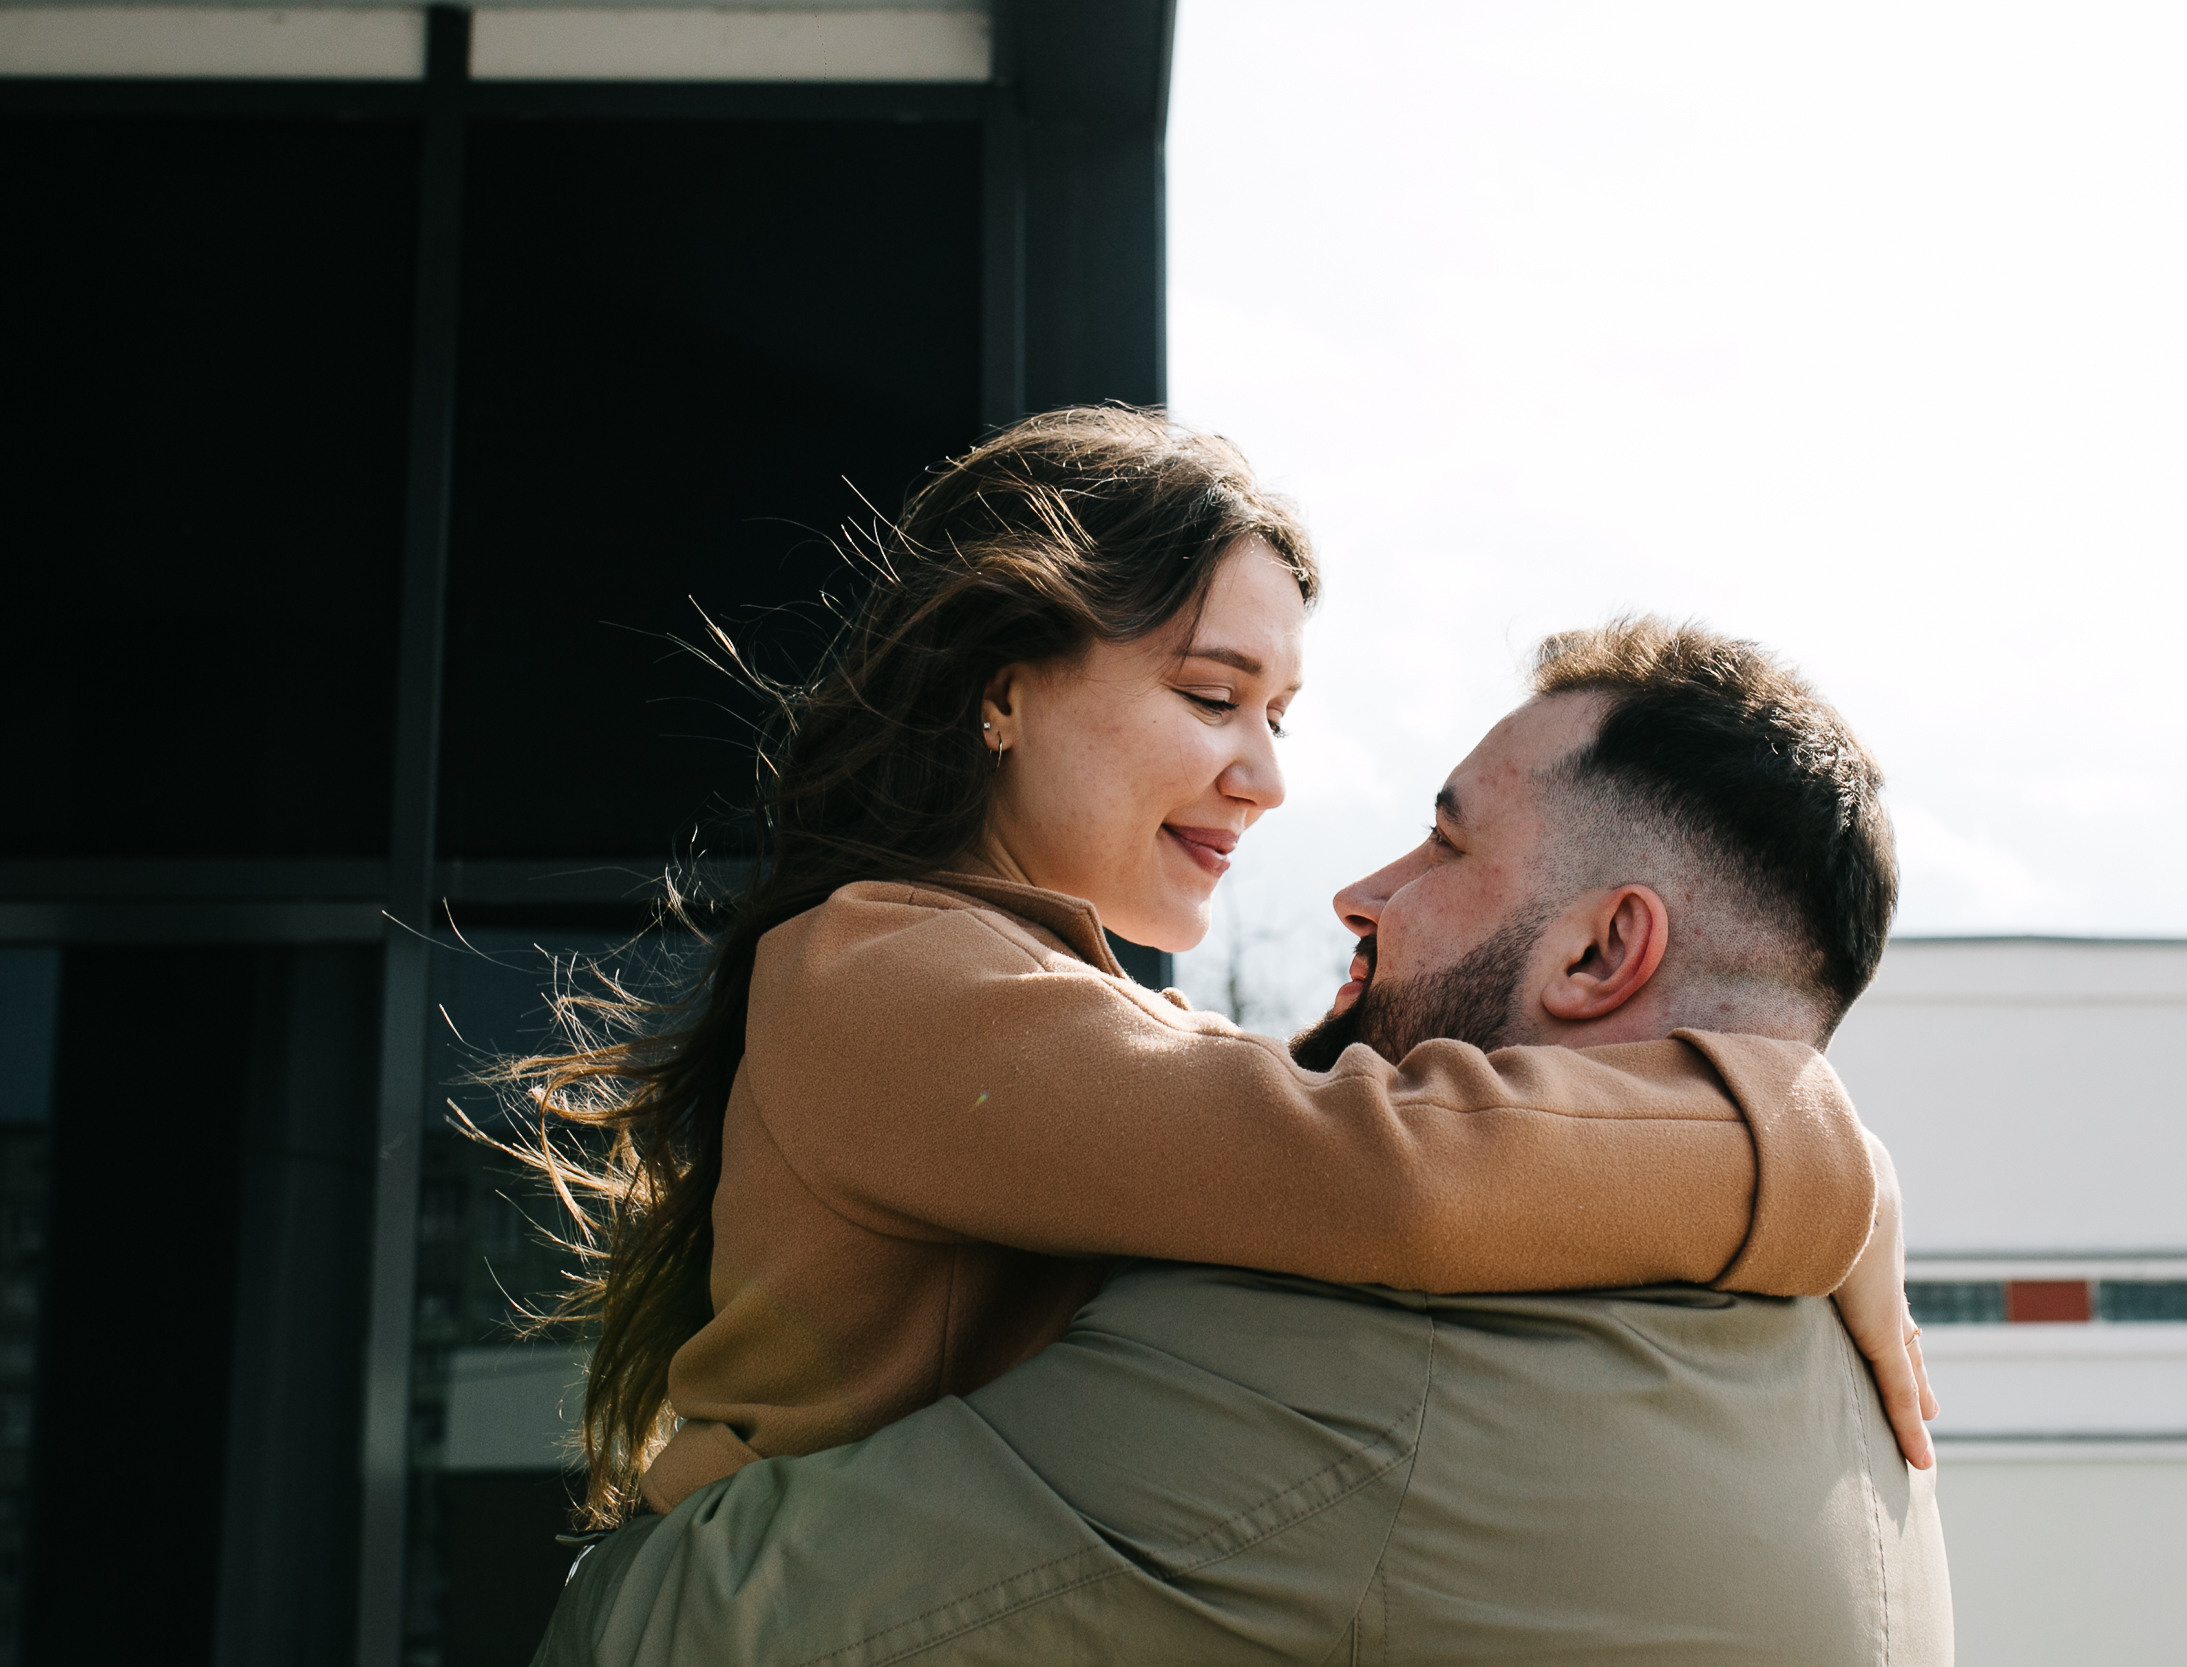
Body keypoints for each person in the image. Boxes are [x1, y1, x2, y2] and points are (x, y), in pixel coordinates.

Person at [507, 408, 1918, 1536]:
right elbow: (1394, 1179)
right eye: (1209, 697)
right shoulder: (887, 976)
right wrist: (1809, 1158)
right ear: (999, 690)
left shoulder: (1065, 1011)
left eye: (1282, 714)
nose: (1265, 779)